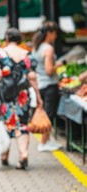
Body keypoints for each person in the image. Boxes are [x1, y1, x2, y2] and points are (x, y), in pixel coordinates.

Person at [0, 28, 43, 170]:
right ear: (19, 39)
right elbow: (32, 77)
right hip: (22, 96)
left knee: (5, 124)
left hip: (4, 97)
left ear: (7, 38)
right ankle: (23, 154)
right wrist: (38, 96)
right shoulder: (27, 54)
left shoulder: (0, 53)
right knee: (21, 125)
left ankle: (4, 155)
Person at [32, 21, 64, 152]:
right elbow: (49, 70)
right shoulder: (48, 49)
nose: (56, 36)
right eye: (55, 33)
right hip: (49, 85)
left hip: (40, 84)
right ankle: (43, 143)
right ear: (50, 33)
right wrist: (61, 63)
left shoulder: (37, 47)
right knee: (49, 114)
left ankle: (47, 140)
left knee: (46, 112)